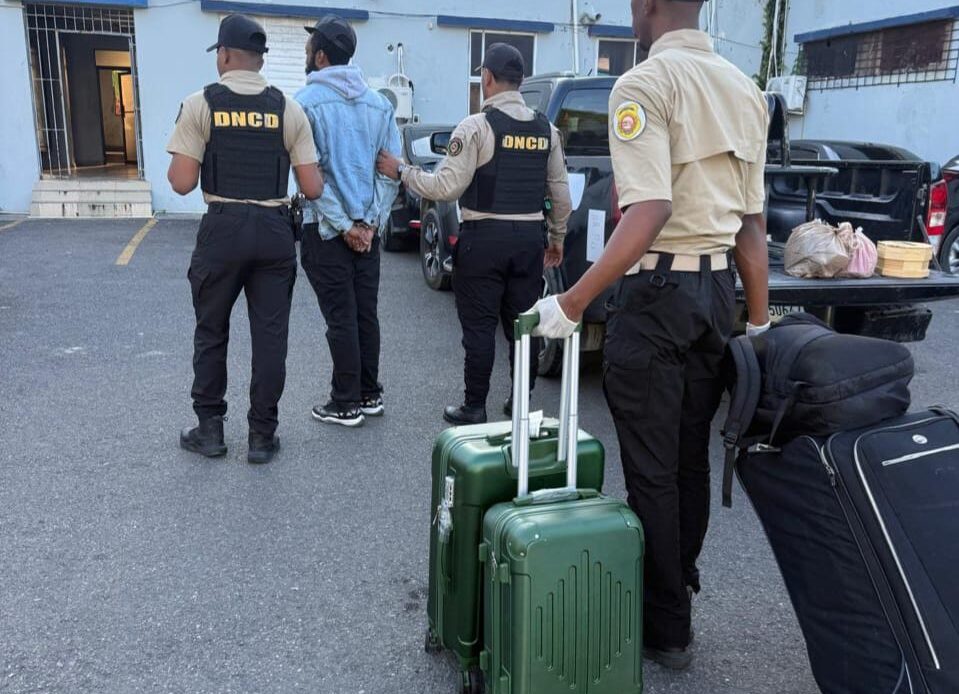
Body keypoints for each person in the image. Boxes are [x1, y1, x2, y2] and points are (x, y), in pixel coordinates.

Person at [531, 0, 771, 671]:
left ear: (648, 7)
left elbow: (650, 207)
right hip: (715, 290)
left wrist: (573, 301)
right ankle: (677, 593)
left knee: (650, 470)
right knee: (688, 457)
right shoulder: (743, 89)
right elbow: (751, 225)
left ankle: (665, 623)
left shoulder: (642, 83)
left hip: (658, 290)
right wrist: (755, 321)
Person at [377, 44, 571, 425]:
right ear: (521, 80)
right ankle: (520, 404)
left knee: (480, 327)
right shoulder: (547, 131)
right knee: (524, 325)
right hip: (529, 240)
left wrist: (401, 172)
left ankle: (474, 406)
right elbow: (561, 196)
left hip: (484, 239)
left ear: (486, 78)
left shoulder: (476, 127)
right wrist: (557, 238)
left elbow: (445, 187)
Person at [167, 14, 324, 464]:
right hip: (274, 229)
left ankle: (211, 430)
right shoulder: (287, 107)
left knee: (211, 330)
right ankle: (261, 436)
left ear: (223, 54)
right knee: (270, 337)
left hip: (222, 228)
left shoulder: (201, 104)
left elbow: (180, 182)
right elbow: (312, 188)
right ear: (259, 59)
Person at [296, 15, 402, 428]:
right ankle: (369, 392)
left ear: (321, 56)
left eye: (310, 49)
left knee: (341, 315)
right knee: (364, 313)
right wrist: (370, 223)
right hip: (368, 231)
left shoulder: (304, 104)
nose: (308, 55)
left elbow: (312, 177)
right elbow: (389, 170)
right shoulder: (380, 105)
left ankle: (345, 402)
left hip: (326, 231)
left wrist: (345, 227)